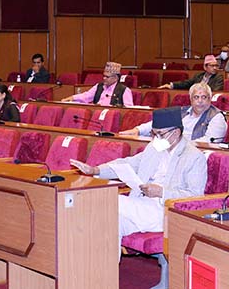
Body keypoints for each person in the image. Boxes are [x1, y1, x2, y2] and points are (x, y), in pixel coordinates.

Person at [70, 107, 207, 257]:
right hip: (140, 205)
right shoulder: (155, 147)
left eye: (160, 134)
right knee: (108, 221)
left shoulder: (194, 157)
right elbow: (129, 163)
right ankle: (103, 270)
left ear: (176, 133)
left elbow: (195, 196)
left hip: (164, 211)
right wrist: (95, 170)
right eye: (153, 134)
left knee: (105, 200)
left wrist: (161, 192)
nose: (156, 138)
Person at [120, 83, 227, 143]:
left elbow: (208, 142)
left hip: (193, 154)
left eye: (204, 97)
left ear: (210, 99)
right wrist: (137, 130)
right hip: (171, 148)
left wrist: (178, 145)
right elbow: (158, 123)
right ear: (190, 99)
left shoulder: (217, 117)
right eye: (196, 97)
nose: (200, 101)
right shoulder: (182, 111)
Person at [62, 62, 134, 106]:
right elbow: (86, 96)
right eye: (104, 76)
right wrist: (72, 98)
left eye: (107, 77)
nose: (104, 78)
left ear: (116, 78)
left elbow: (128, 109)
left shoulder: (124, 90)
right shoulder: (99, 86)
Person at [158, 55, 224, 92]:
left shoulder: (218, 77)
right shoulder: (199, 76)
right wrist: (171, 85)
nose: (215, 68)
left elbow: (215, 91)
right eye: (212, 66)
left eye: (216, 66)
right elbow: (186, 83)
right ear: (205, 67)